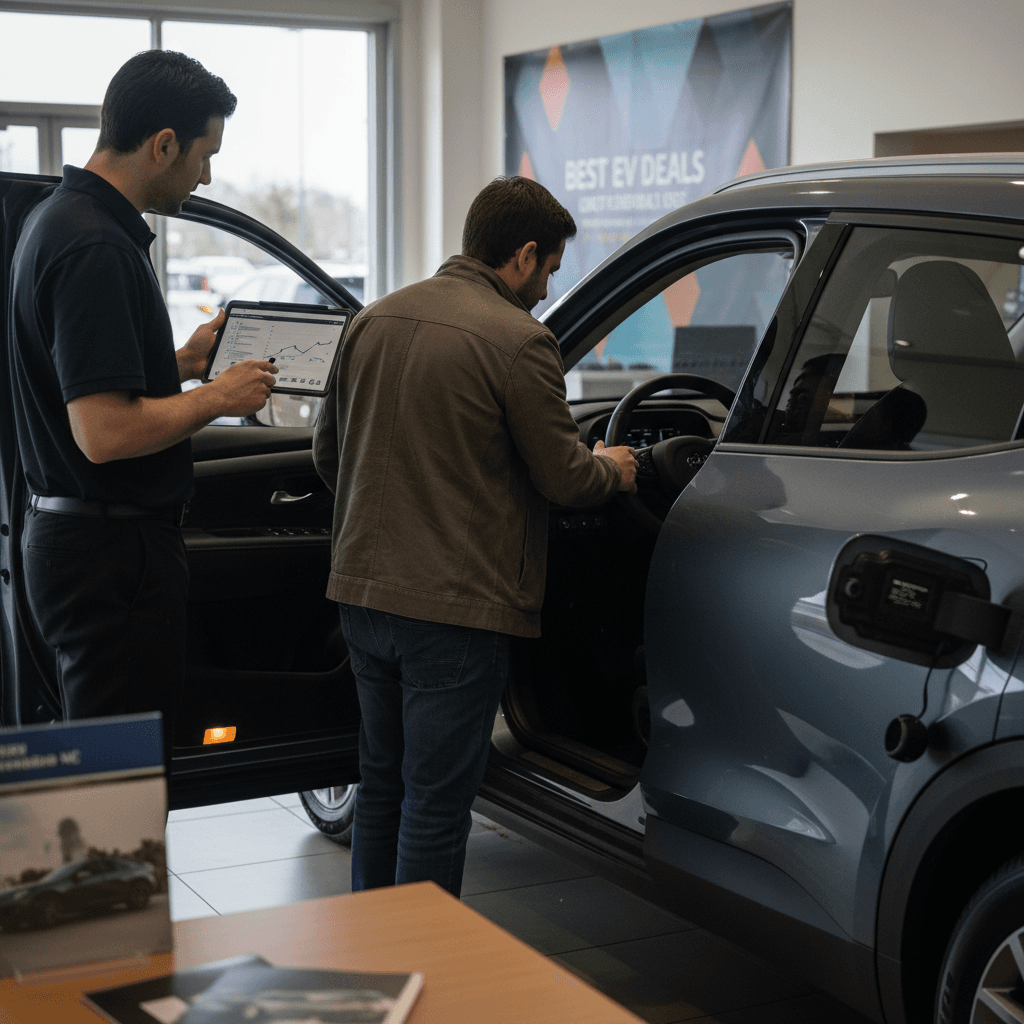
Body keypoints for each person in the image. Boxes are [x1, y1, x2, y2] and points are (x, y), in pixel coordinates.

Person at [312, 175, 637, 896]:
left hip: (362, 599)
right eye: (550, 268)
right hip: (454, 613)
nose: (549, 287)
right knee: (435, 804)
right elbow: (565, 479)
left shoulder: (374, 318)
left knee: (382, 785)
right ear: (522, 255)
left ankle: (377, 960)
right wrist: (613, 469)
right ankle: (426, 973)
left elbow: (327, 455)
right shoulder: (522, 341)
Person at [9, 50, 278, 755]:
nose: (207, 175)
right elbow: (103, 432)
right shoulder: (96, 247)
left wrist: (182, 363)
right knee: (118, 795)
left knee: (106, 776)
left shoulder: (56, 220)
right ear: (163, 144)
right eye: (204, 155)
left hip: (78, 545)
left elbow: (87, 380)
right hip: (108, 557)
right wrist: (217, 396)